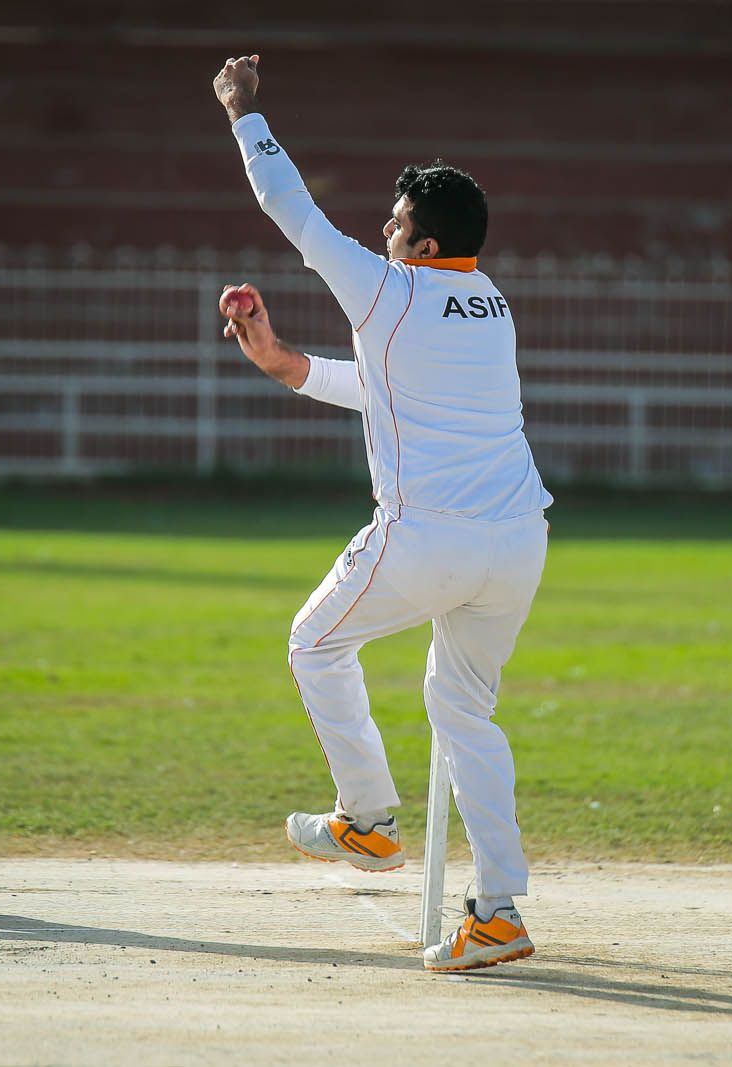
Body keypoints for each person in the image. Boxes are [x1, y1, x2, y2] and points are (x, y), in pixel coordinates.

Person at [212, 56, 552, 972]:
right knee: (465, 713)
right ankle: (499, 912)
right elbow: (397, 392)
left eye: (396, 224)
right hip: (519, 538)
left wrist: (244, 112)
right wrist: (285, 363)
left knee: (314, 643)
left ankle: (366, 819)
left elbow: (290, 209)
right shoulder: (491, 303)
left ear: (426, 245)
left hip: (430, 536)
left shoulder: (390, 288)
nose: (382, 232)